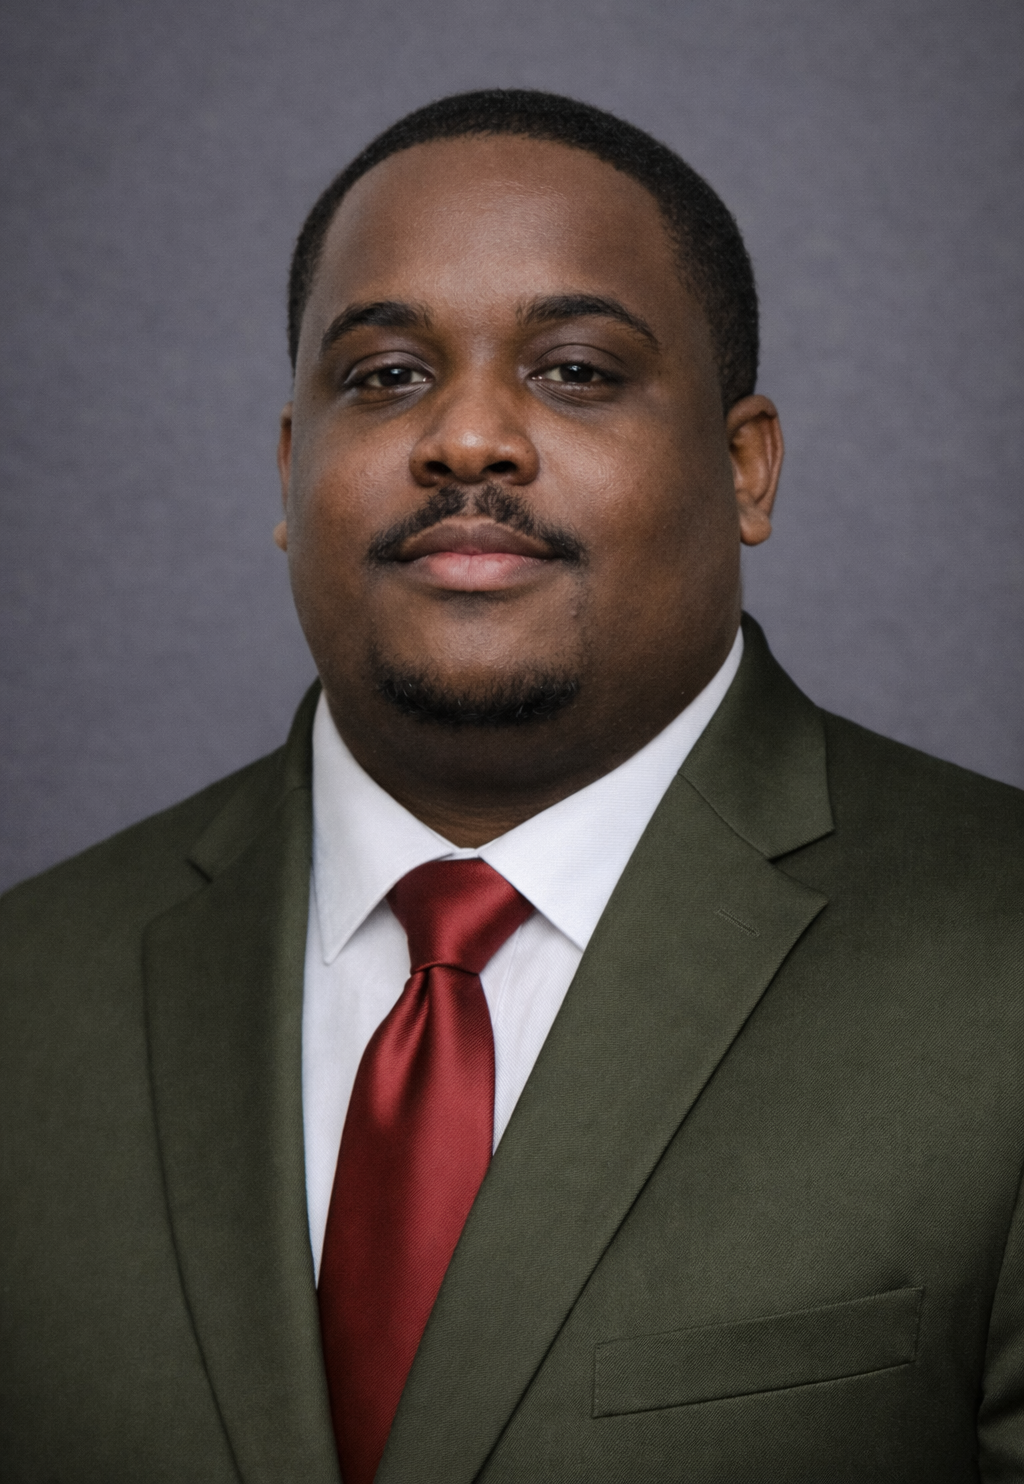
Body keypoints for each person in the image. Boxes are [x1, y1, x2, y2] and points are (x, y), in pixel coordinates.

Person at [1, 89, 1021, 1484]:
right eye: (385, 377)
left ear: (744, 468)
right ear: (293, 472)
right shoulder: (27, 992)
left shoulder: (1001, 957)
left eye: (577, 371)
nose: (468, 440)